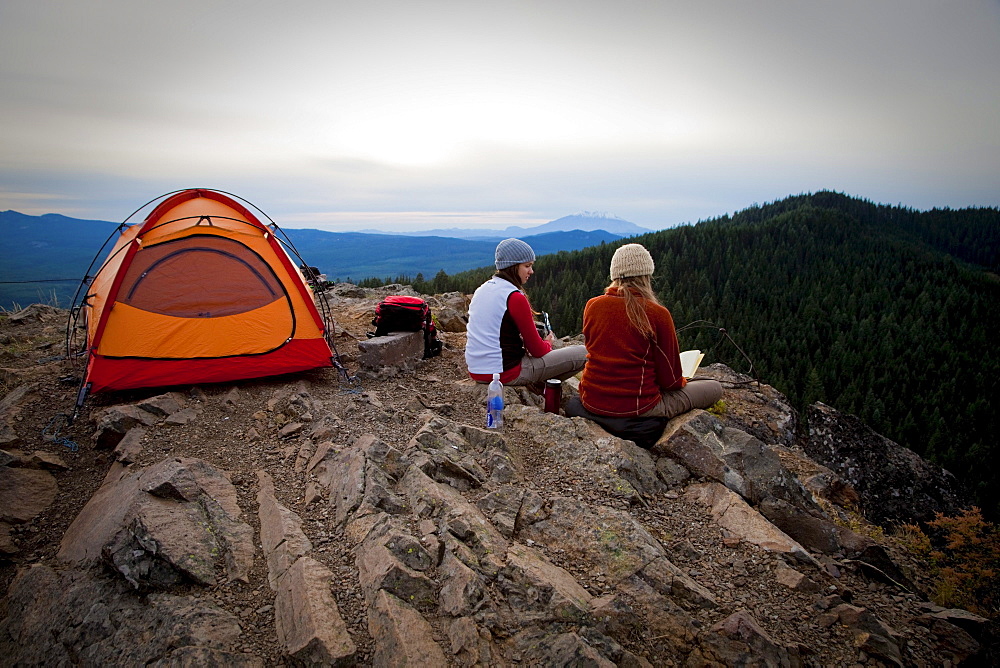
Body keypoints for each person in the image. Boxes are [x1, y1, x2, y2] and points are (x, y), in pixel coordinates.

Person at [577, 243, 723, 422]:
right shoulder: (657, 313)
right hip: (639, 407)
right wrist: (683, 380)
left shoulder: (593, 305)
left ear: (614, 275)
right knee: (714, 387)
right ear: (646, 275)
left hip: (591, 400)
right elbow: (671, 382)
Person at [466, 238, 587, 386]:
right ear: (513, 267)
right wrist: (548, 343)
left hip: (476, 371)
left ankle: (543, 384)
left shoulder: (482, 289)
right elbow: (537, 351)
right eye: (527, 266)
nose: (531, 271)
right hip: (505, 373)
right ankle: (546, 387)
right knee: (584, 353)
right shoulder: (514, 296)